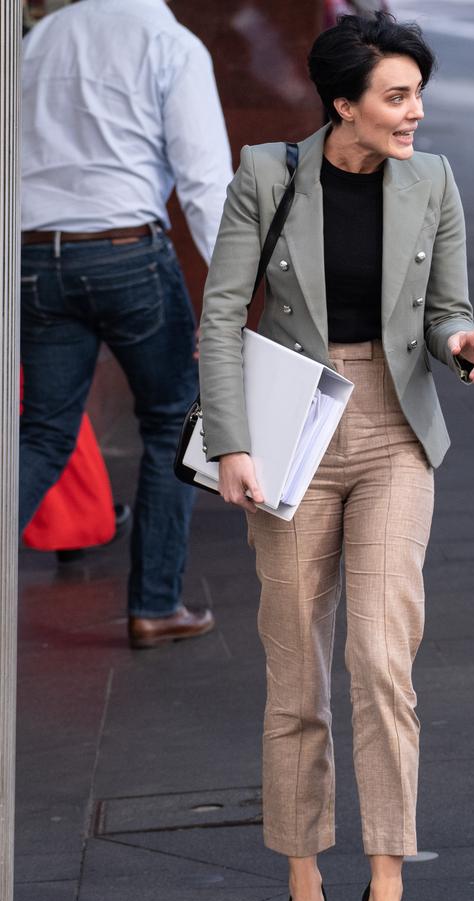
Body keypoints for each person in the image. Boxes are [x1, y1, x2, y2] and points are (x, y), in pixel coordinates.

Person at [199, 12, 474, 901]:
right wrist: (230, 441)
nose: (415, 112)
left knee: (380, 659)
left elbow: (447, 307)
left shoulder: (435, 181)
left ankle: (383, 889)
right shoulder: (269, 176)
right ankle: (302, 881)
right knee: (295, 670)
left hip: (393, 430)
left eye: (415, 92)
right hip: (290, 428)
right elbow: (221, 309)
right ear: (343, 104)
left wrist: (461, 342)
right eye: (396, 95)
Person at [20, 0, 233, 648]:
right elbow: (204, 182)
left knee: (45, 434)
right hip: (125, 250)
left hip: (34, 252)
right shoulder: (170, 43)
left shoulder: (43, 36)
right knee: (174, 419)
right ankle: (155, 604)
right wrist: (233, 291)